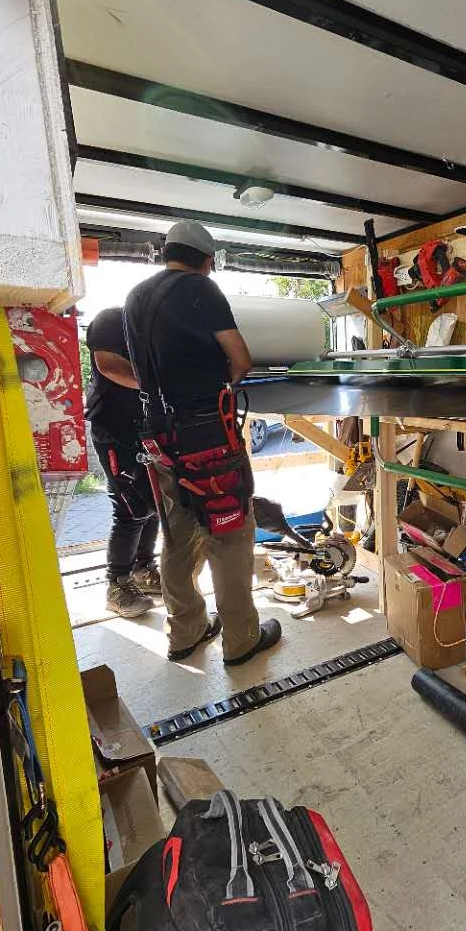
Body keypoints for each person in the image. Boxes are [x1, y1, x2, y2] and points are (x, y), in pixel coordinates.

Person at [123, 219, 281, 665]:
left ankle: (185, 633)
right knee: (229, 533)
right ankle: (241, 640)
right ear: (207, 261)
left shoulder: (135, 296)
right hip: (207, 434)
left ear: (167, 252)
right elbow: (241, 359)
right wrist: (218, 386)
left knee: (178, 533)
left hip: (158, 434)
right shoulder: (201, 289)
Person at [84, 306, 162, 618]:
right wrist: (161, 385)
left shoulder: (156, 331)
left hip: (147, 429)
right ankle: (117, 585)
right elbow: (109, 366)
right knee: (131, 509)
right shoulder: (110, 320)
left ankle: (143, 570)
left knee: (155, 503)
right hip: (115, 430)